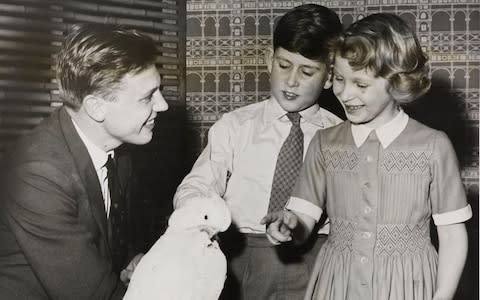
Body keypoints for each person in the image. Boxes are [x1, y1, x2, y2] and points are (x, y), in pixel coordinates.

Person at [262, 13, 472, 300]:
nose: (345, 94)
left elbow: (452, 235)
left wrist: (443, 295)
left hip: (407, 284)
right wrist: (289, 224)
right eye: (338, 79)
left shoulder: (433, 146)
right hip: (338, 283)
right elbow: (304, 215)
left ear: (397, 82)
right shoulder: (325, 143)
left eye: (360, 85)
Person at [173, 4, 343, 299]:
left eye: (307, 71)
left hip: (315, 260)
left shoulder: (342, 136)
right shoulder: (235, 126)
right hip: (242, 257)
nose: (291, 81)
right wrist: (197, 215)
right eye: (284, 65)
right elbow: (199, 183)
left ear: (329, 77)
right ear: (269, 60)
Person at [0, 23, 168, 299]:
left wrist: (129, 258)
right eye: (147, 97)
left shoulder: (116, 146)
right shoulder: (38, 174)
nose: (163, 106)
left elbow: (103, 229)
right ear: (96, 108)